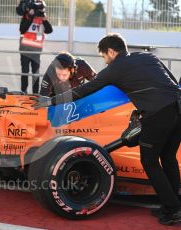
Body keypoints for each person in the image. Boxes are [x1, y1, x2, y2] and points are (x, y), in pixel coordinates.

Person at [32, 33, 181, 225]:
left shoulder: (114, 70)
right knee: (168, 159)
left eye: (104, 56)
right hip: (178, 108)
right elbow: (172, 82)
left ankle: (174, 209)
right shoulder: (148, 56)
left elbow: (84, 90)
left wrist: (51, 101)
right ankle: (172, 205)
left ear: (111, 51)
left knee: (149, 161)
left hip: (158, 114)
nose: (105, 61)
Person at [17, 0, 53, 94]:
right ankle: (23, 91)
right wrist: (30, 17)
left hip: (36, 51)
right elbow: (22, 29)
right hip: (25, 49)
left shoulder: (42, 18)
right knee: (25, 72)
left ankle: (35, 93)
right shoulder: (27, 16)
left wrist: (45, 20)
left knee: (35, 73)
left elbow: (49, 30)